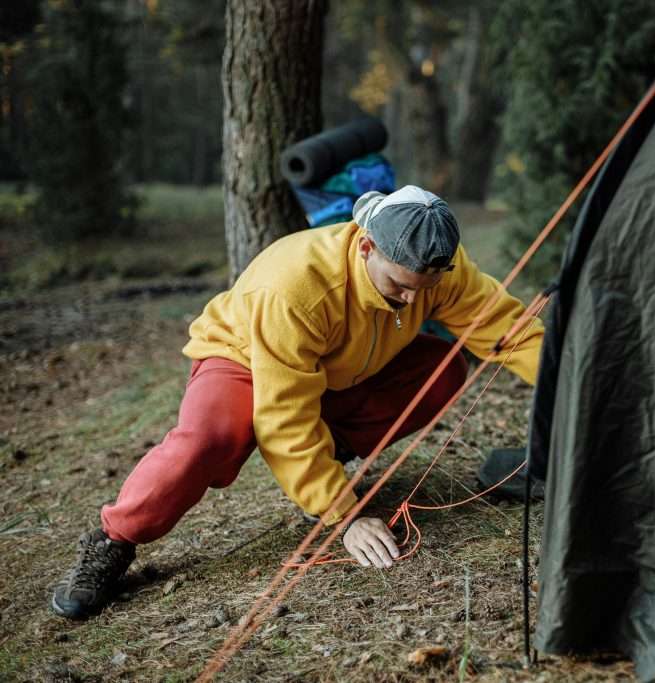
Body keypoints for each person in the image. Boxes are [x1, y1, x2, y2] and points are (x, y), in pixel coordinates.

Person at [51, 185, 544, 619]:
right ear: (367, 245)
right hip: (244, 358)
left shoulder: (432, 271)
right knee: (208, 442)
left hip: (337, 368)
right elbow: (284, 414)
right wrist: (343, 516)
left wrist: (575, 388)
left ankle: (322, 464)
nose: (412, 302)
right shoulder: (298, 287)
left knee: (443, 370)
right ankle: (112, 541)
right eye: (398, 286)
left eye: (425, 289)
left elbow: (510, 332)